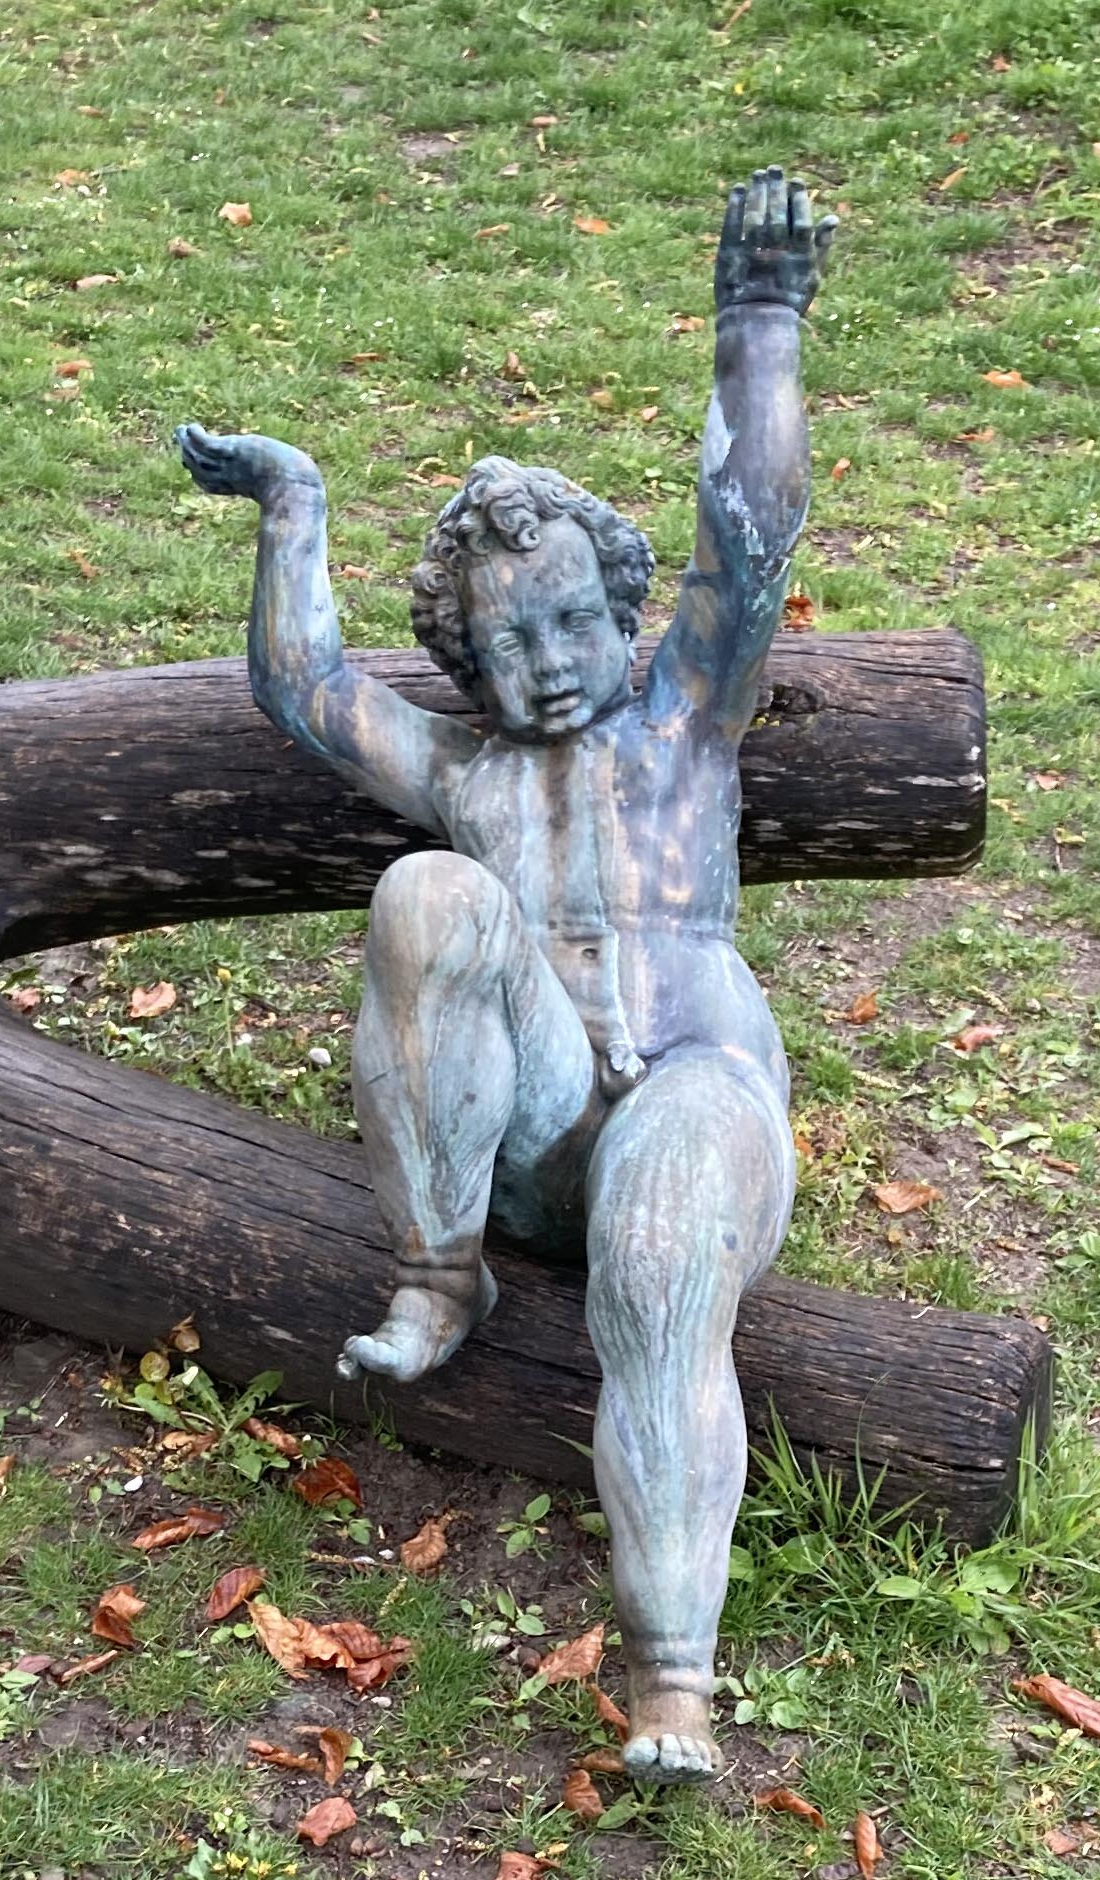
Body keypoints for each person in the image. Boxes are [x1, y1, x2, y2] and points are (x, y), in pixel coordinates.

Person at [176, 166, 834, 1784]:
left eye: (567, 626)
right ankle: (439, 1265)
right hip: (531, 1128)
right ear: (468, 662)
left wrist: (760, 324)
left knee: (667, 1237)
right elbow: (306, 688)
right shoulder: (467, 769)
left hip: (698, 1094)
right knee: (429, 896)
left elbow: (747, 536)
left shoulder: (687, 714)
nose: (545, 667)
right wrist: (292, 504)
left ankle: (674, 1677)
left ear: (621, 611)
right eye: (507, 643)